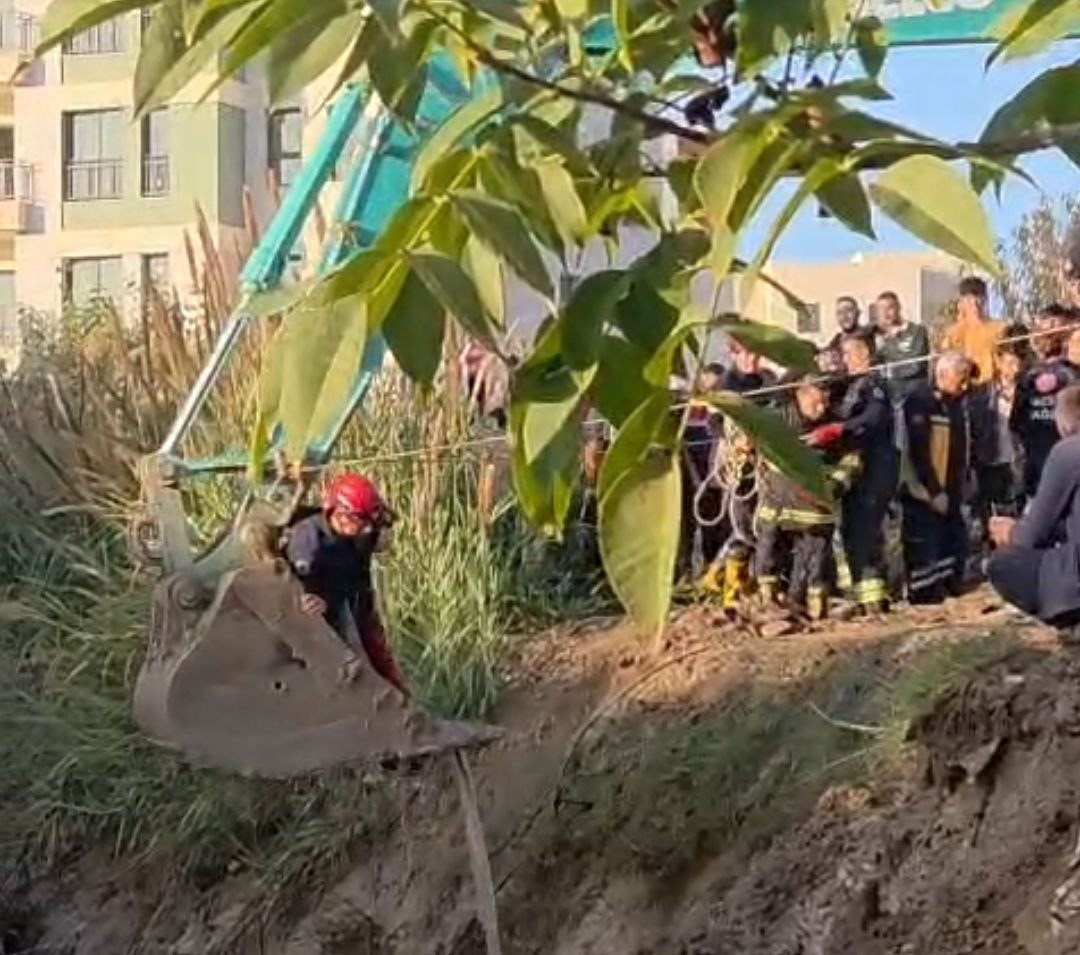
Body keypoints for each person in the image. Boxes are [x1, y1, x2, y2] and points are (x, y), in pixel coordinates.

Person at [285, 474, 409, 697]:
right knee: (351, 671)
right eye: (363, 524)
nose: (368, 531)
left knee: (381, 661)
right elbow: (298, 587)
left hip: (356, 599)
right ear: (342, 517)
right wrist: (311, 599)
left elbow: (382, 532)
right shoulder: (307, 541)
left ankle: (401, 701)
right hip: (329, 612)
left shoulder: (359, 533)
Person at [754, 378, 861, 622]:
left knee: (813, 561)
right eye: (817, 399)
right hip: (777, 504)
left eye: (826, 399)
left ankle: (808, 609)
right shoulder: (777, 419)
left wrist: (834, 485)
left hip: (816, 508)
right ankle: (768, 605)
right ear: (801, 392)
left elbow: (852, 460)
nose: (823, 406)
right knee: (768, 553)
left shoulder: (835, 422)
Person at [988, 384, 1080, 631]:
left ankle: (1066, 616)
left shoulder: (1069, 451)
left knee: (1002, 563)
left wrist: (1009, 531)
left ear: (1064, 423)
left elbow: (1031, 535)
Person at [897, 353, 972, 604]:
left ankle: (948, 584)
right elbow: (918, 451)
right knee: (923, 541)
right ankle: (924, 593)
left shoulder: (954, 404)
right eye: (961, 379)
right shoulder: (919, 402)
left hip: (948, 488)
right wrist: (933, 490)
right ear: (942, 374)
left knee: (952, 540)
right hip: (922, 489)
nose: (965, 386)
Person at [832, 333, 897, 613]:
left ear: (865, 355)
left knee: (866, 532)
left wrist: (840, 429)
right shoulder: (847, 386)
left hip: (875, 466)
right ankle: (860, 594)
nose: (844, 360)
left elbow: (873, 418)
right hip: (855, 470)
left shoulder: (874, 386)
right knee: (851, 531)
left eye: (849, 354)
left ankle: (873, 598)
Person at [1010, 304, 1078, 501]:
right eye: (1042, 328)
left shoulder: (1074, 375)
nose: (1046, 334)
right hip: (1039, 477)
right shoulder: (1027, 378)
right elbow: (1016, 425)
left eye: (1053, 327)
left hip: (1067, 479)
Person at [969, 342, 1024, 529]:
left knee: (1018, 512)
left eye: (1017, 363)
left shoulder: (1026, 390)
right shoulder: (982, 393)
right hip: (991, 460)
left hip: (1018, 460)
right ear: (998, 363)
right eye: (1009, 363)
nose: (1014, 369)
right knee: (991, 515)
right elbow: (974, 428)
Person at [939, 276, 1003, 386]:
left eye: (979, 297)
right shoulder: (952, 334)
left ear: (985, 299)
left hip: (993, 388)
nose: (975, 303)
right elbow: (946, 365)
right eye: (969, 298)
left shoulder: (999, 329)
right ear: (962, 301)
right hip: (963, 389)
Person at [874, 291, 930, 402]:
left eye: (890, 308)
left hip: (912, 394)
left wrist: (889, 370)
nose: (886, 313)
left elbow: (916, 365)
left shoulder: (916, 331)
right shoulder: (875, 335)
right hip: (885, 395)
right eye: (881, 309)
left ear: (899, 308)